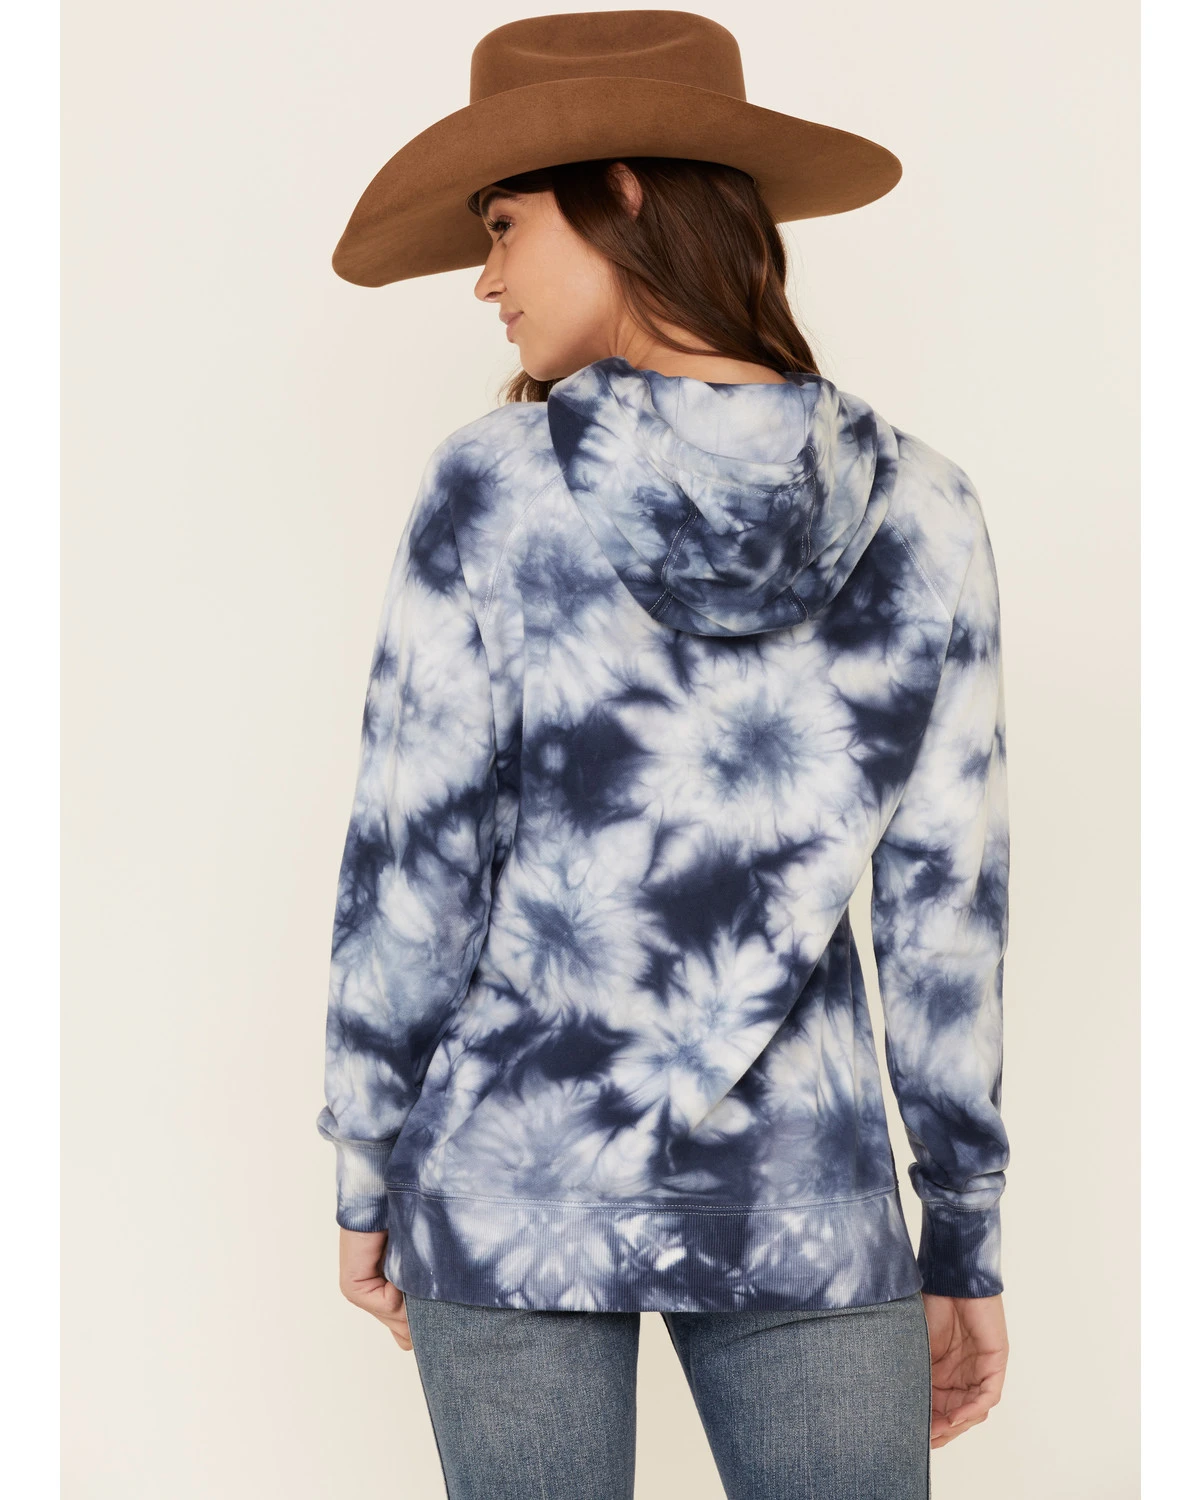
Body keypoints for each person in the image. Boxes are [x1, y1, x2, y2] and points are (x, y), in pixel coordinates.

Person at [316, 12, 1011, 1498]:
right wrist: (962, 1230)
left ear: (622, 191)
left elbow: (414, 863)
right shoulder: (930, 510)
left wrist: (365, 1158)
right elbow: (945, 922)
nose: (485, 280)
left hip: (511, 1180)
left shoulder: (491, 488)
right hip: (808, 1195)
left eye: (503, 227)